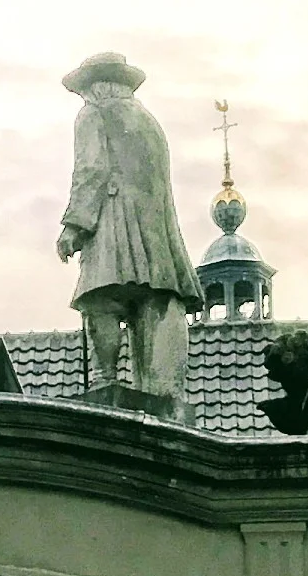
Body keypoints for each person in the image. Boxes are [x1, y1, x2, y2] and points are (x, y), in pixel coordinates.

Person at [56, 53, 201, 403]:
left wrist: (74, 226)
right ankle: (163, 394)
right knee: (154, 306)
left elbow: (91, 170)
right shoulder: (150, 122)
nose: (84, 97)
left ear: (97, 85)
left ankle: (106, 380)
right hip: (158, 240)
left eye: (85, 89)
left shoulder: (94, 114)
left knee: (100, 298)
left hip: (113, 225)